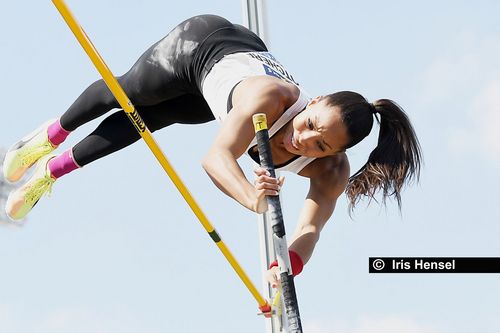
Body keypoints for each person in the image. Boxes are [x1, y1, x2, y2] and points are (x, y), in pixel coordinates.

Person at [2, 15, 422, 287]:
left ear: (336, 153)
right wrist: (253, 198)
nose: (303, 142)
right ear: (313, 103)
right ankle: (47, 137)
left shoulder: (331, 172)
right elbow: (215, 158)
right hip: (202, 47)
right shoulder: (270, 98)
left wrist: (289, 263)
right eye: (310, 125)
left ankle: (49, 175)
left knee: (145, 122)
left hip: (213, 95)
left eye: (321, 145)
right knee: (127, 93)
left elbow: (309, 230)